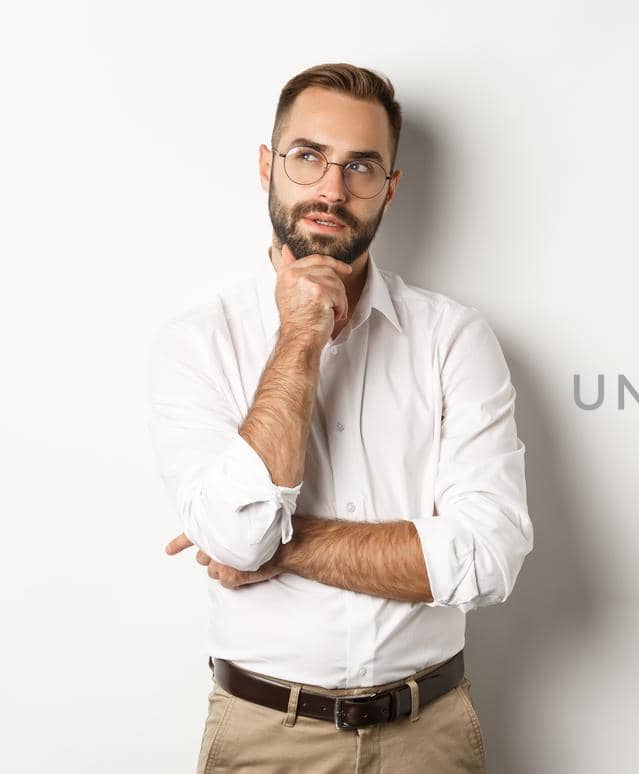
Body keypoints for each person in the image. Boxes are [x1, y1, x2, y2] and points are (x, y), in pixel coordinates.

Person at [146, 62, 533, 773]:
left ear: (390, 188)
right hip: (266, 737)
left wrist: (275, 547)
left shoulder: (454, 338)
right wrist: (298, 335)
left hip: (431, 736)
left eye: (360, 166)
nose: (331, 187)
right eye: (308, 157)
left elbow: (486, 559)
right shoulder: (197, 340)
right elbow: (235, 533)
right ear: (269, 165)